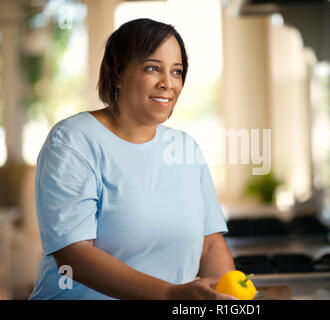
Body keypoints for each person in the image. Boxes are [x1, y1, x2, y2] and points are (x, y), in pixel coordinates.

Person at [29, 18, 236, 300]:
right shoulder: (73, 141)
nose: (168, 83)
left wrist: (225, 298)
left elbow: (210, 244)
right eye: (153, 68)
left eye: (177, 71)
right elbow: (73, 258)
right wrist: (170, 294)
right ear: (117, 74)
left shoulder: (185, 147)